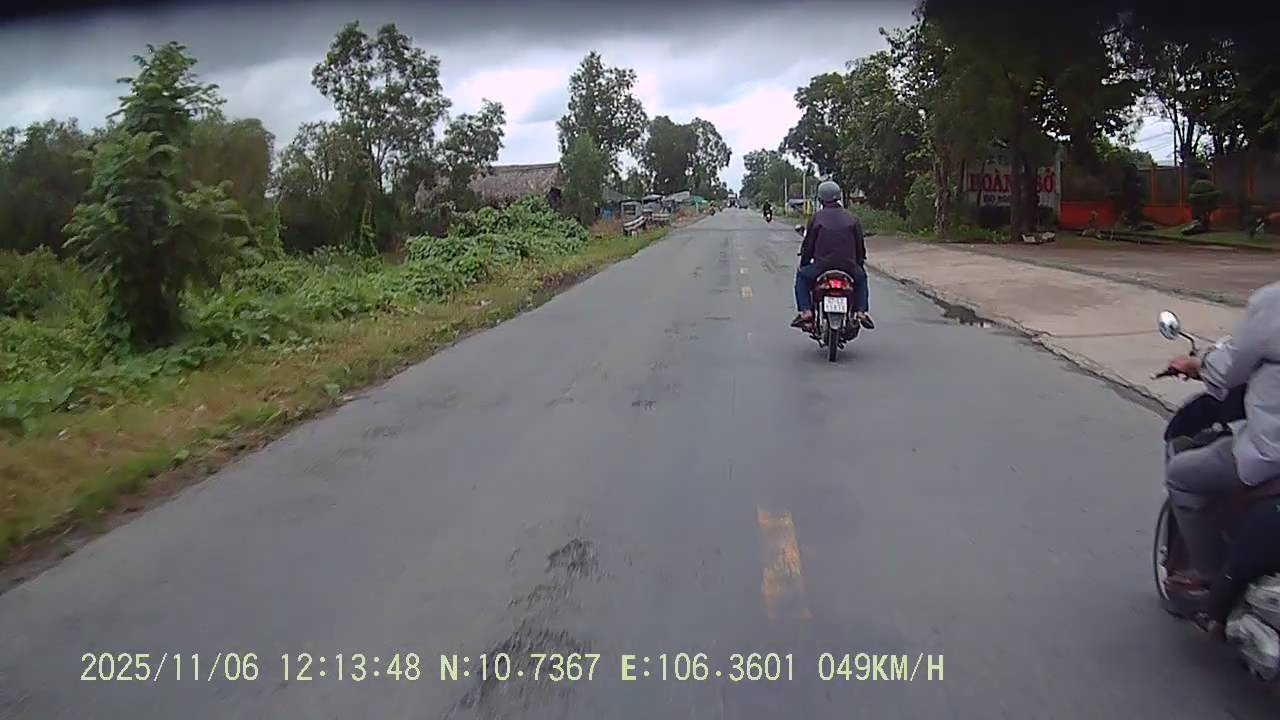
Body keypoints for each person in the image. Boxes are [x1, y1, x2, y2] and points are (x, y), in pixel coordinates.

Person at [1164, 281, 1280, 591]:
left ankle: (1209, 575)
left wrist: (1198, 364)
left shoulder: (1273, 302)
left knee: (1181, 475)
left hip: (1271, 454)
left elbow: (1230, 366)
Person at [790, 180, 874, 330]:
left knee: (802, 276)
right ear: (838, 196)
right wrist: (859, 264)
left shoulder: (817, 218)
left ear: (821, 198)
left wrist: (804, 263)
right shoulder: (852, 218)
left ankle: (806, 311)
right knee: (861, 278)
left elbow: (808, 245)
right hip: (848, 267)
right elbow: (859, 246)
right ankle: (860, 312)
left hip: (821, 267)